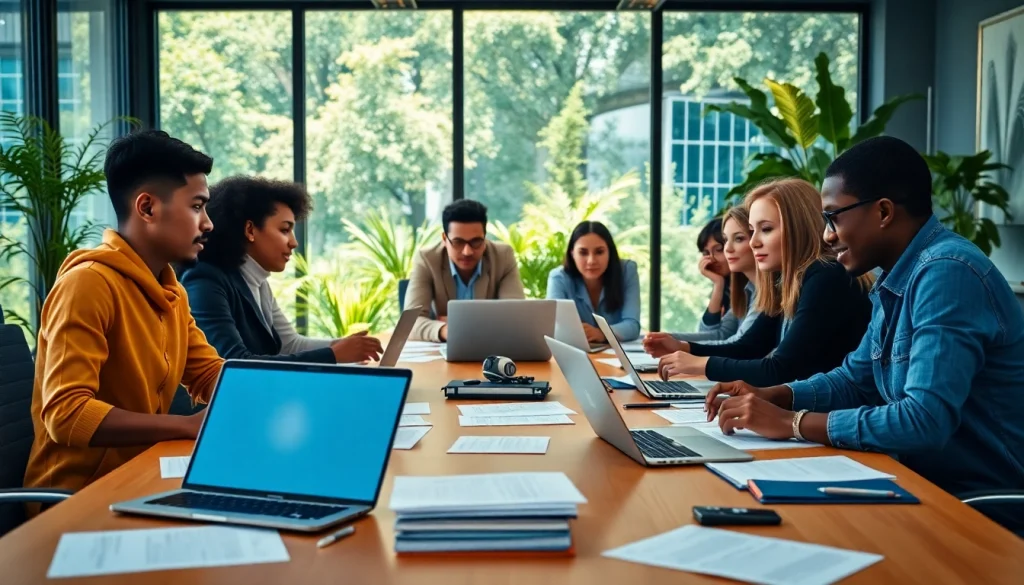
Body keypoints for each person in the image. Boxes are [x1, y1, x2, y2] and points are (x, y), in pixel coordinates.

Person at [704, 137, 1024, 518]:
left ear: (884, 212)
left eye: (834, 216)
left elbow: (923, 421)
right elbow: (855, 380)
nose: (827, 234)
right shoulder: (898, 278)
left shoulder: (947, 273)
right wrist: (778, 394)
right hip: (916, 483)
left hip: (975, 504)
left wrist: (792, 422)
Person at [23, 130, 224, 501]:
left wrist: (279, 394)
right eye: (197, 206)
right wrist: (184, 426)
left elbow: (210, 373)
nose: (208, 223)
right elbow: (67, 414)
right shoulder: (88, 285)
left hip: (142, 478)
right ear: (147, 208)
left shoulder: (170, 292)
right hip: (73, 501)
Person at [647, 178, 873, 387]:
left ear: (798, 228)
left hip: (829, 420)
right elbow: (750, 347)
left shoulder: (827, 276)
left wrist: (699, 364)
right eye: (752, 231)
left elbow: (780, 369)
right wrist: (684, 348)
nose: (754, 242)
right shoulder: (790, 280)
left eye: (765, 230)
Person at [180, 176, 383, 364]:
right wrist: (333, 354)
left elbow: (289, 344)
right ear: (250, 230)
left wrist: (342, 346)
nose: (294, 242)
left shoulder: (258, 281)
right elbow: (233, 363)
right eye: (285, 230)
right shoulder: (205, 279)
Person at [406, 199, 525, 342]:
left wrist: (459, 323)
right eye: (458, 242)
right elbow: (409, 324)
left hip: (491, 351)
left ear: (485, 238)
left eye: (476, 242)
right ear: (445, 239)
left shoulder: (503, 256)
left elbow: (515, 317)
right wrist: (446, 330)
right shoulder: (427, 259)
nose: (467, 251)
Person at [651, 206, 758, 345]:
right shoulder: (740, 289)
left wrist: (681, 345)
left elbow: (739, 344)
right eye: (706, 253)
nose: (711, 259)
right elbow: (714, 332)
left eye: (718, 249)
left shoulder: (755, 288)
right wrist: (718, 285)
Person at [545, 221, 641, 342]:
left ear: (610, 253)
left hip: (619, 356)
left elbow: (632, 326)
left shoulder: (627, 271)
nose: (591, 260)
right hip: (576, 353)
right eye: (583, 253)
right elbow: (553, 328)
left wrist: (602, 333)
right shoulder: (559, 278)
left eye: (599, 252)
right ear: (572, 254)